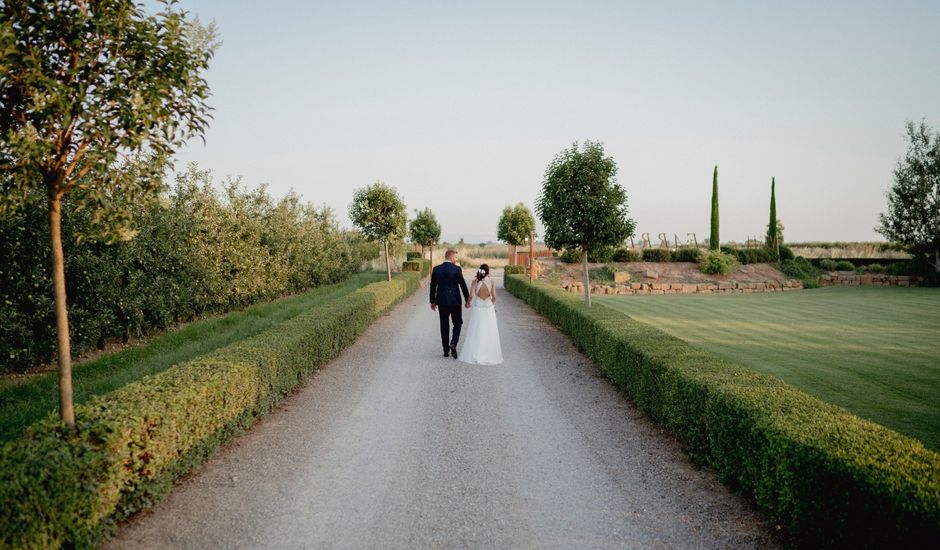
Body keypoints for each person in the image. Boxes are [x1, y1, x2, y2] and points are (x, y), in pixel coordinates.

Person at [458, 264, 503, 365]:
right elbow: (494, 296)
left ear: (479, 271)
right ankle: (488, 354)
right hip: (488, 308)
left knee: (476, 330)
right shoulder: (491, 282)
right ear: (488, 272)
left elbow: (471, 295)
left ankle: (475, 353)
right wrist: (492, 303)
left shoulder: (475, 282)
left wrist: (467, 303)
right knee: (489, 331)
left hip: (478, 308)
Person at [429, 249, 470, 358]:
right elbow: (463, 285)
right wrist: (467, 300)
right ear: (451, 257)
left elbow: (433, 286)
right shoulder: (457, 269)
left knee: (444, 325)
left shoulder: (436, 269)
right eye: (456, 257)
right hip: (455, 301)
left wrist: (432, 301)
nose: (457, 259)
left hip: (441, 301)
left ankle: (446, 350)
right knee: (457, 323)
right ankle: (453, 343)